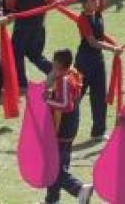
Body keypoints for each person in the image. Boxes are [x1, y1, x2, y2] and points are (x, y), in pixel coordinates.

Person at [45, 48, 94, 204]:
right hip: (70, 125)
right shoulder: (72, 74)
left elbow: (66, 105)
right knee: (59, 163)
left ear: (58, 63)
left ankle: (79, 188)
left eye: (54, 62)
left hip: (63, 128)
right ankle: (52, 199)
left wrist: (46, 101)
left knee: (53, 167)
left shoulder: (65, 80)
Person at [75, 0, 121, 140]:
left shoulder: (97, 11)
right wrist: (113, 48)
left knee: (99, 96)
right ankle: (58, 125)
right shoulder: (82, 19)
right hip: (84, 62)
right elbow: (93, 42)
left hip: (98, 61)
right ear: (85, 3)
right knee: (76, 96)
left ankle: (98, 132)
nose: (97, 1)